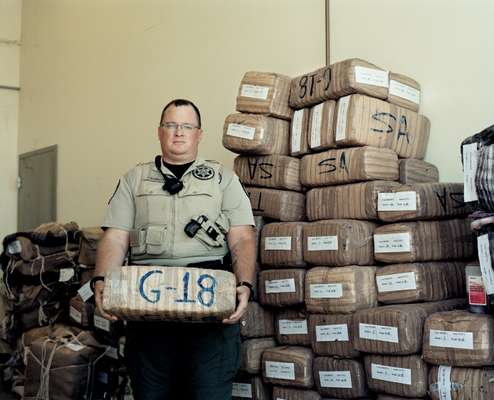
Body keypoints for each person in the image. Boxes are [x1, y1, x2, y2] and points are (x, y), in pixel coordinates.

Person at [92, 99, 256, 400]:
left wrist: (245, 283)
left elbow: (242, 238)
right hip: (148, 312)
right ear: (159, 132)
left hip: (209, 312)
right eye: (171, 125)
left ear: (198, 134)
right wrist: (100, 280)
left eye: (186, 126)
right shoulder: (134, 180)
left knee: (209, 394)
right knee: (151, 394)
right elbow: (116, 238)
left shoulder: (223, 179)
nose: (178, 132)